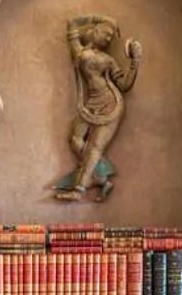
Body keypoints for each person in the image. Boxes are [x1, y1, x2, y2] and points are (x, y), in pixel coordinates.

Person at [51, 14, 141, 201]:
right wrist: (98, 18)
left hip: (111, 104)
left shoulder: (108, 60)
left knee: (95, 148)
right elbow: (71, 22)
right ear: (94, 32)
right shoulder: (79, 51)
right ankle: (100, 180)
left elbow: (124, 85)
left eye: (110, 37)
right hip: (90, 104)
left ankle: (79, 188)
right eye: (105, 34)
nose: (108, 39)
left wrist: (135, 62)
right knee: (75, 140)